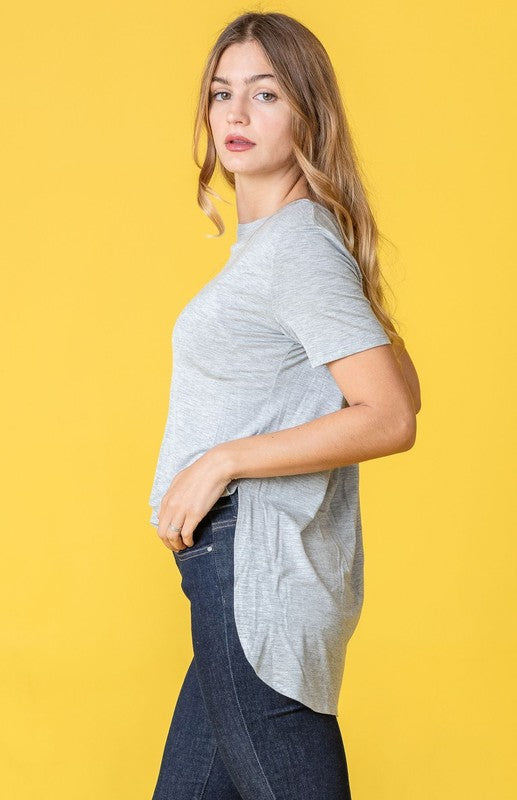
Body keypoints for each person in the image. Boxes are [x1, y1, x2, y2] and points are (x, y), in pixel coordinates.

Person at [148, 11, 421, 800]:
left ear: (307, 110)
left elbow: (389, 415)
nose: (234, 114)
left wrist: (222, 460)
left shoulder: (297, 248)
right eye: (220, 92)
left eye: (264, 94)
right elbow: (403, 388)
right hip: (232, 573)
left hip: (253, 570)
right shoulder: (291, 245)